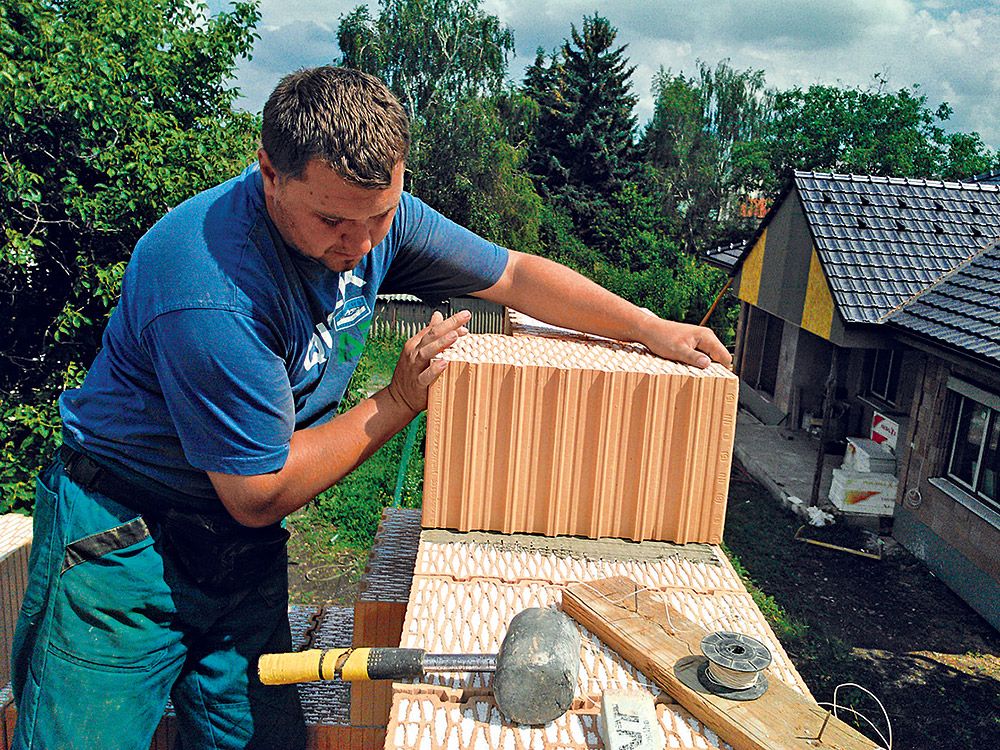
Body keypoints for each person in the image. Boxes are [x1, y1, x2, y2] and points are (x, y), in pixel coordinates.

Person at [10, 66, 730, 749]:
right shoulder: (211, 288)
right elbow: (260, 494)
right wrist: (396, 399)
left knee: (259, 739)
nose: (357, 247)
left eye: (377, 217)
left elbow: (512, 275)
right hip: (124, 546)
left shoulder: (375, 215)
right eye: (330, 222)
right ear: (268, 172)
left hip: (235, 554)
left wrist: (648, 327)